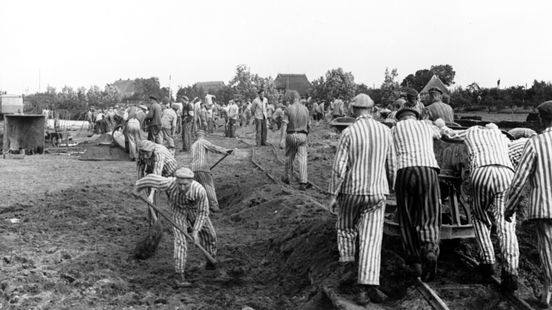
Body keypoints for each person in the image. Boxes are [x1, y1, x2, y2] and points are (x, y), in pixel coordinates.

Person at [328, 93, 396, 305]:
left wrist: (332, 195)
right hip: (377, 193)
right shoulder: (385, 131)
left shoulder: (348, 133)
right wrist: (391, 188)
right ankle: (366, 289)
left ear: (353, 110)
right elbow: (392, 165)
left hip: (351, 191)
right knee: (371, 239)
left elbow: (339, 168)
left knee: (346, 228)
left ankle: (347, 267)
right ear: (373, 109)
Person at [439, 122, 519, 292]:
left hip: (482, 171)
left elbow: (449, 135)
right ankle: (511, 272)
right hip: (507, 173)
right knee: (506, 223)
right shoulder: (503, 137)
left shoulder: (472, 131)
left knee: (480, 216)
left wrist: (440, 124)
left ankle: (487, 261)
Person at [133, 167, 217, 287]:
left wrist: (196, 231)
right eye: (180, 184)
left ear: (191, 181)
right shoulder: (169, 183)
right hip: (178, 211)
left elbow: (203, 212)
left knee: (210, 235)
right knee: (180, 241)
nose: (182, 187)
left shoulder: (199, 190)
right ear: (176, 181)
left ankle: (211, 261)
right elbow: (150, 178)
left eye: (185, 185)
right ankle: (179, 275)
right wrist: (136, 188)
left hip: (195, 211)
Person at [505, 101, 552, 307]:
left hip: (545, 208)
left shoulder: (536, 142)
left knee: (548, 250)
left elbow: (519, 179)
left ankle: (549, 294)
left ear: (541, 119)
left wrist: (510, 206)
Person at [392, 107, 442, 282]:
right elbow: (440, 132)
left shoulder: (394, 128)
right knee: (430, 212)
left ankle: (414, 261)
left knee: (406, 216)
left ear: (399, 119)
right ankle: (429, 249)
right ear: (416, 117)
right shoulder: (426, 126)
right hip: (428, 169)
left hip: (404, 170)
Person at [191, 130, 233, 212]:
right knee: (209, 187)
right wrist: (225, 151)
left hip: (193, 169)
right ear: (203, 135)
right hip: (202, 167)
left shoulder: (193, 145)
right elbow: (213, 148)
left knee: (198, 188)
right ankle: (214, 206)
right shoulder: (202, 142)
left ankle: (198, 206)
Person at [279, 91, 311, 190]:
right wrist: (306, 135)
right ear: (299, 98)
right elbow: (309, 125)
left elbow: (284, 125)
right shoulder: (305, 109)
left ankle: (287, 178)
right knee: (303, 158)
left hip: (291, 135)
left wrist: (282, 139)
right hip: (302, 135)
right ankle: (303, 182)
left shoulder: (288, 109)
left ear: (292, 99)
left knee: (289, 157)